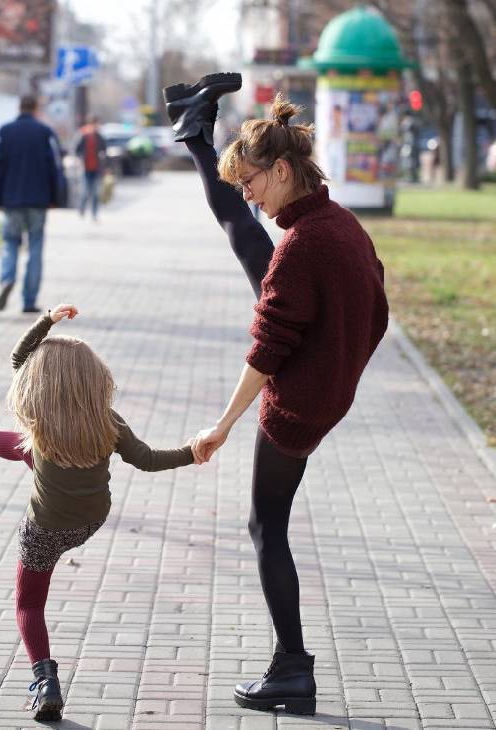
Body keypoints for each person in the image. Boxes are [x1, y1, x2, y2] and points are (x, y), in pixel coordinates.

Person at [163, 73, 389, 715]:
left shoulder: (302, 248)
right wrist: (342, 363)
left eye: (254, 181)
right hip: (322, 387)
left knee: (267, 527)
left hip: (298, 403)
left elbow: (266, 355)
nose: (253, 194)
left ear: (285, 170)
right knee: (241, 233)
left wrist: (222, 425)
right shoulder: (338, 223)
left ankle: (292, 668)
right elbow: (378, 308)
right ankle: (195, 130)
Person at [0, 303, 197, 721]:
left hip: (45, 527)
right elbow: (150, 459)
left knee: (29, 604)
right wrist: (194, 452)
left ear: (41, 381)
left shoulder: (39, 418)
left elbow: (18, 359)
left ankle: (46, 683)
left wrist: (46, 320)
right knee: (36, 449)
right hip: (89, 520)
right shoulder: (108, 421)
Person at [0, 95, 66, 313]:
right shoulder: (45, 133)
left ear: (19, 107)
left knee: (10, 242)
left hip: (11, 200)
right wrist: (56, 197)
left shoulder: (4, 132)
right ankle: (29, 301)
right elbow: (56, 167)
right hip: (38, 201)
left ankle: (6, 279)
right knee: (35, 248)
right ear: (35, 109)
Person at [75, 115, 107, 220]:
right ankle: (81, 210)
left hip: (96, 168)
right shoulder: (83, 135)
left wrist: (105, 165)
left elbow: (104, 150)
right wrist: (80, 159)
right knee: (84, 191)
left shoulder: (99, 137)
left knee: (95, 193)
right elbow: (77, 149)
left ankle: (94, 213)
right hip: (85, 168)